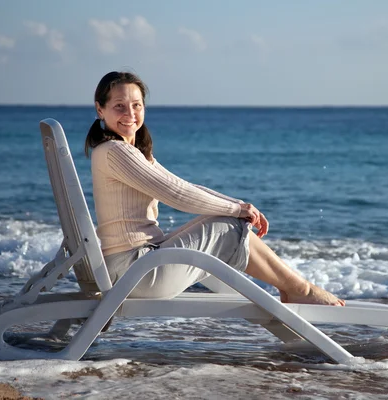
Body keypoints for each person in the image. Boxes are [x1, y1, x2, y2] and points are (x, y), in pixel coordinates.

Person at [84, 71, 344, 306]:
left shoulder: (127, 151)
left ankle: (297, 290)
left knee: (227, 220)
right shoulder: (115, 152)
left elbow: (181, 185)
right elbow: (176, 195)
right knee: (229, 227)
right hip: (136, 272)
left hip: (136, 266)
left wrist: (240, 206)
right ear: (100, 109)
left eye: (137, 105)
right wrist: (236, 210)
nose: (130, 114)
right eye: (119, 106)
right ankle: (302, 291)